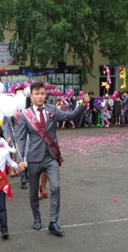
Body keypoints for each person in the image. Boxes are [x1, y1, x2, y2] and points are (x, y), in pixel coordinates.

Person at [17, 81, 89, 235]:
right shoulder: (25, 115)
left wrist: (82, 104)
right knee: (33, 191)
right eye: (37, 94)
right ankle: (37, 218)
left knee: (55, 187)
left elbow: (70, 116)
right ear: (31, 96)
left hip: (51, 157)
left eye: (42, 93)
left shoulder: (52, 110)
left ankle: (53, 222)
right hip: (34, 158)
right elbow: (21, 139)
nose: (40, 96)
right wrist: (20, 159)